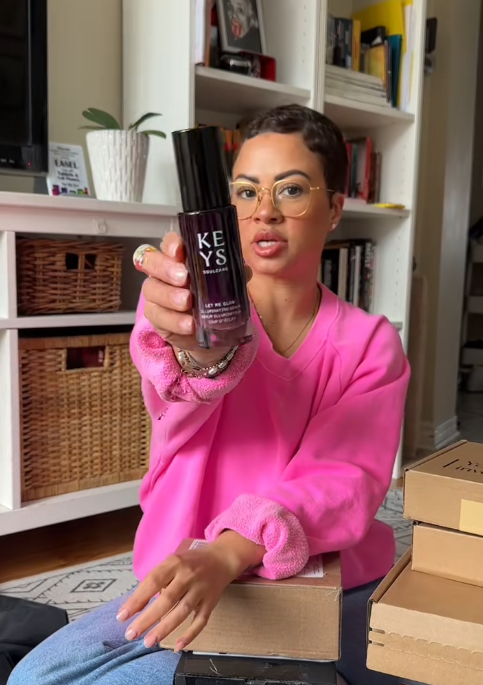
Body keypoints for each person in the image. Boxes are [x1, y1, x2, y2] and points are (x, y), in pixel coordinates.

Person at [8, 105, 417, 685]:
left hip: (323, 580)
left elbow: (341, 478)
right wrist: (202, 354)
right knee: (39, 677)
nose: (265, 211)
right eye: (246, 192)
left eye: (291, 189)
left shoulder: (370, 342)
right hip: (187, 572)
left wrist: (229, 550)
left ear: (333, 209)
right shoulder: (183, 311)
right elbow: (180, 392)